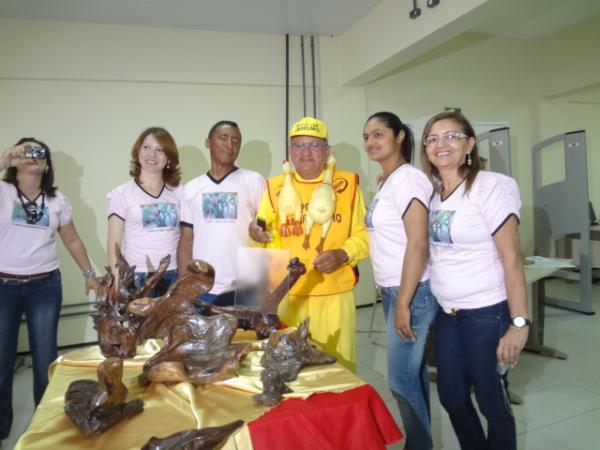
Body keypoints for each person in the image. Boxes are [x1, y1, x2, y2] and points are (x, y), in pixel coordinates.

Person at [421, 111, 528, 450]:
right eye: (433, 138)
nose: (442, 144)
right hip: (449, 314)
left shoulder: (492, 186)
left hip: (487, 313)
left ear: (469, 143)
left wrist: (519, 323)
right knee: (452, 398)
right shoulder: (434, 193)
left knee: (492, 403)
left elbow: (512, 258)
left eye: (452, 136)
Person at [249, 117, 369, 371]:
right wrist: (255, 233)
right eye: (299, 145)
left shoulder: (347, 185)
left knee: (337, 368)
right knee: (288, 369)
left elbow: (364, 234)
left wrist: (343, 253)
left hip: (334, 295)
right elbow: (261, 234)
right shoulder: (273, 187)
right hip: (288, 297)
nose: (305, 152)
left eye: (314, 145)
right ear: (290, 151)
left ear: (327, 150)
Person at [0, 138, 99, 442]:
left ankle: (45, 426)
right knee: (2, 359)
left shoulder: (57, 201)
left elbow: (71, 240)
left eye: (37, 151)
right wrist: (5, 161)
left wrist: (90, 274)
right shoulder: (3, 192)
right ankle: (2, 427)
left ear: (47, 163)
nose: (31, 156)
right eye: (24, 150)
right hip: (4, 286)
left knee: (45, 359)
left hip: (44, 286)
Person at [363, 112, 438, 450]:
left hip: (413, 292)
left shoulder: (408, 179)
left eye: (378, 134)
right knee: (414, 374)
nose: (370, 142)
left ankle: (419, 446)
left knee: (401, 381)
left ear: (399, 137)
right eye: (366, 136)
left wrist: (404, 302)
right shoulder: (391, 181)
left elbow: (418, 242)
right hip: (397, 290)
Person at [178, 120, 266, 305]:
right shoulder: (191, 188)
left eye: (236, 141)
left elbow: (267, 232)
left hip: (247, 286)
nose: (230, 145)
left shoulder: (255, 181)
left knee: (248, 335)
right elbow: (186, 240)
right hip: (202, 286)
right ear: (208, 142)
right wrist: (184, 287)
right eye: (223, 138)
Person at [107, 127, 183, 297]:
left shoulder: (181, 193)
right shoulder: (121, 194)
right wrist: (116, 282)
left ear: (169, 157)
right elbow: (114, 245)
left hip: (172, 277)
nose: (152, 155)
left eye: (160, 150)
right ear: (137, 152)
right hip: (136, 278)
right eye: (146, 147)